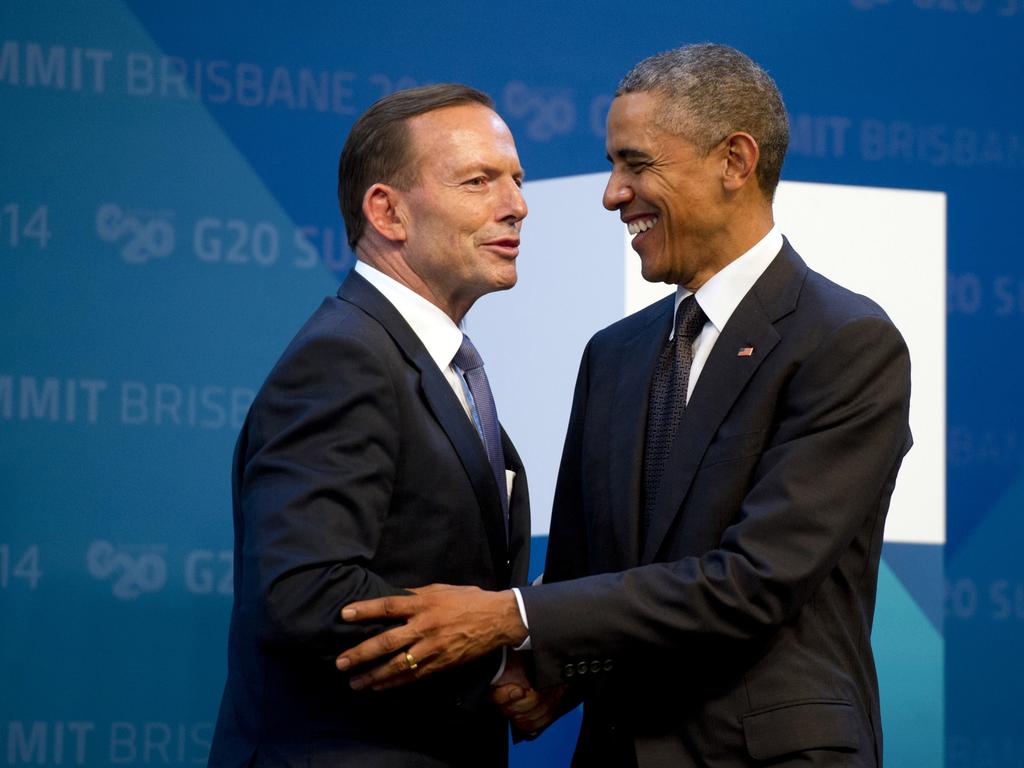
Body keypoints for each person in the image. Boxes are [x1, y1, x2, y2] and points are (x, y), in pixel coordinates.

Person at [335, 44, 913, 768]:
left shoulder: (845, 343)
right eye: (613, 166)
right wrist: (548, 673)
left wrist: (506, 618)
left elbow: (753, 584)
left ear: (735, 161)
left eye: (636, 165)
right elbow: (588, 569)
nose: (611, 194)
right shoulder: (614, 355)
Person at [208, 84, 532, 768]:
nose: (516, 205)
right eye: (479, 181)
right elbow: (306, 591)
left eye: (516, 180)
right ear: (387, 211)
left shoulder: (436, 362)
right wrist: (496, 660)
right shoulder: (345, 357)